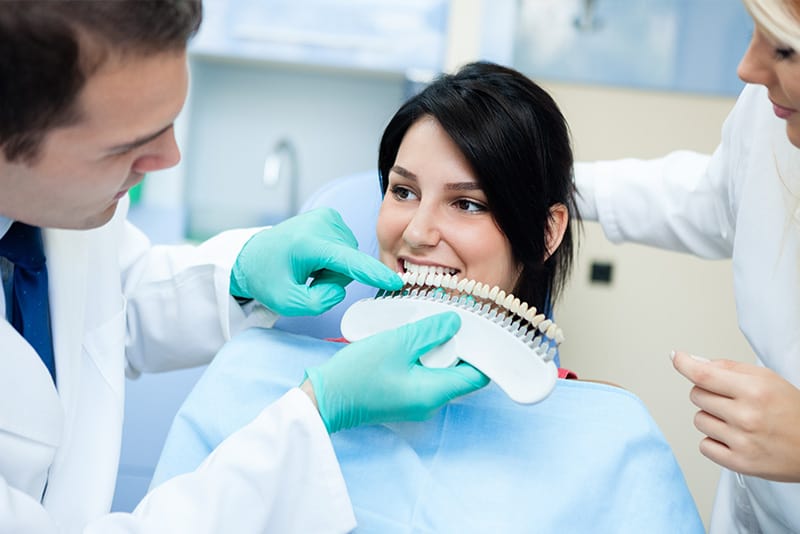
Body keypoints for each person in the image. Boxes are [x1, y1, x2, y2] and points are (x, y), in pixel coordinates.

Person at [152, 62, 704, 532]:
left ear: (546, 233)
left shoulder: (612, 439)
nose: (416, 232)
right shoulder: (252, 377)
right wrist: (316, 408)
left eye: (467, 204)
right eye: (403, 191)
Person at [0, 2, 488, 532]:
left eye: (167, 122)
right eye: (125, 147)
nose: (170, 157)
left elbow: (105, 299)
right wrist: (313, 415)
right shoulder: (244, 388)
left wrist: (238, 274)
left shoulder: (52, 211)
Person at [574, 0, 800, 531]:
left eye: (785, 49)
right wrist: (552, 186)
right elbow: (717, 198)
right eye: (755, 32)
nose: (748, 69)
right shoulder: (770, 111)